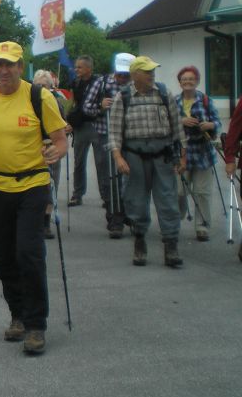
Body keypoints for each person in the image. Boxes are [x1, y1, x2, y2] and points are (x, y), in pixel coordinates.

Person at [0, 42, 67, 354]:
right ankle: (17, 314)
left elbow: (61, 142)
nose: (4, 71)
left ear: (21, 67)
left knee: (29, 253)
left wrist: (53, 152)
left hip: (31, 184)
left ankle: (36, 325)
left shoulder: (39, 96)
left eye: (11, 65)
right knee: (1, 255)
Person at [108, 56, 186, 267]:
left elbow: (177, 126)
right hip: (134, 157)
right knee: (136, 202)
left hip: (163, 156)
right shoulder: (122, 97)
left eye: (153, 71)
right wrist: (118, 157)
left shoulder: (163, 93)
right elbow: (114, 133)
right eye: (147, 71)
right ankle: (140, 241)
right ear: (135, 75)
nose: (152, 74)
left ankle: (171, 246)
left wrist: (183, 155)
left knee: (168, 202)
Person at [81, 53, 134, 238]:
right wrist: (100, 105)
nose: (122, 78)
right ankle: (115, 219)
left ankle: (129, 213)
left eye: (126, 74)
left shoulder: (135, 85)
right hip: (106, 133)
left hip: (131, 136)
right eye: (120, 74)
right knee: (109, 178)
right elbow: (86, 107)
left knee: (130, 177)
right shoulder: (102, 83)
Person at [175, 66, 221, 242]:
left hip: (203, 152)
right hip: (180, 152)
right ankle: (175, 219)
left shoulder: (206, 100)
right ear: (180, 82)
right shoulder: (174, 101)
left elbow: (217, 121)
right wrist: (182, 120)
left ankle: (202, 226)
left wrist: (210, 125)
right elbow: (166, 121)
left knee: (202, 192)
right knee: (178, 191)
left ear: (197, 81)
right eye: (184, 79)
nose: (187, 82)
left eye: (191, 79)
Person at [33, 70, 67, 239]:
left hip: (51, 147)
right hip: (33, 150)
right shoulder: (30, 102)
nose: (41, 89)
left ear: (50, 87)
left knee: (51, 184)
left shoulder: (55, 103)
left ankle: (46, 221)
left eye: (44, 86)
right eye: (38, 85)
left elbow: (63, 127)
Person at [66, 56, 102, 207]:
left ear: (89, 68)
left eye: (79, 67)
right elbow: (73, 104)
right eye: (76, 67)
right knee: (79, 162)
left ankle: (106, 196)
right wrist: (69, 121)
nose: (76, 69)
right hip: (80, 127)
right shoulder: (75, 83)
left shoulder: (99, 83)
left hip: (96, 125)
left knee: (102, 163)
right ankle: (77, 194)